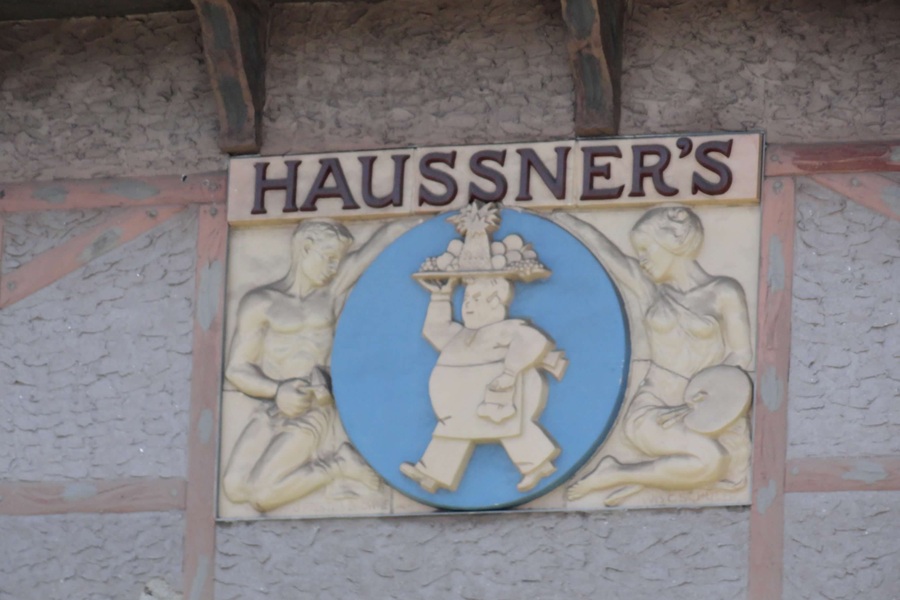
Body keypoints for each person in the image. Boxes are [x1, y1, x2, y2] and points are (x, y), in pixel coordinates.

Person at [553, 206, 752, 506]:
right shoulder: (650, 292)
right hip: (653, 407)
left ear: (674, 245)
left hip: (702, 408)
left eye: (646, 250)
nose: (642, 260)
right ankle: (627, 474)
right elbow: (609, 255)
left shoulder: (724, 292)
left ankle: (619, 474)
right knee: (711, 460)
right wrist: (566, 220)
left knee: (714, 462)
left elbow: (741, 353)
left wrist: (712, 398)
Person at [222, 219, 411, 513]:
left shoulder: (331, 293)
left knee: (262, 495)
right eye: (329, 258)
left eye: (338, 260)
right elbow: (237, 369)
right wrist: (276, 390)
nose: (334, 268)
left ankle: (338, 465)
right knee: (233, 490)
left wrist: (429, 222)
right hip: (274, 406)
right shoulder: (260, 303)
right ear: (306, 248)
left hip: (315, 410)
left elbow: (378, 243)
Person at [400, 276, 564, 494]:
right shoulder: (461, 334)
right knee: (453, 432)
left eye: (475, 299)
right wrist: (440, 297)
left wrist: (510, 372)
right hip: (462, 406)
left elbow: (534, 342)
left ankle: (538, 465)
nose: (467, 304)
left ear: (495, 302)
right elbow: (436, 330)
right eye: (466, 299)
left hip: (497, 397)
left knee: (512, 430)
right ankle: (431, 475)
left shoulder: (507, 328)